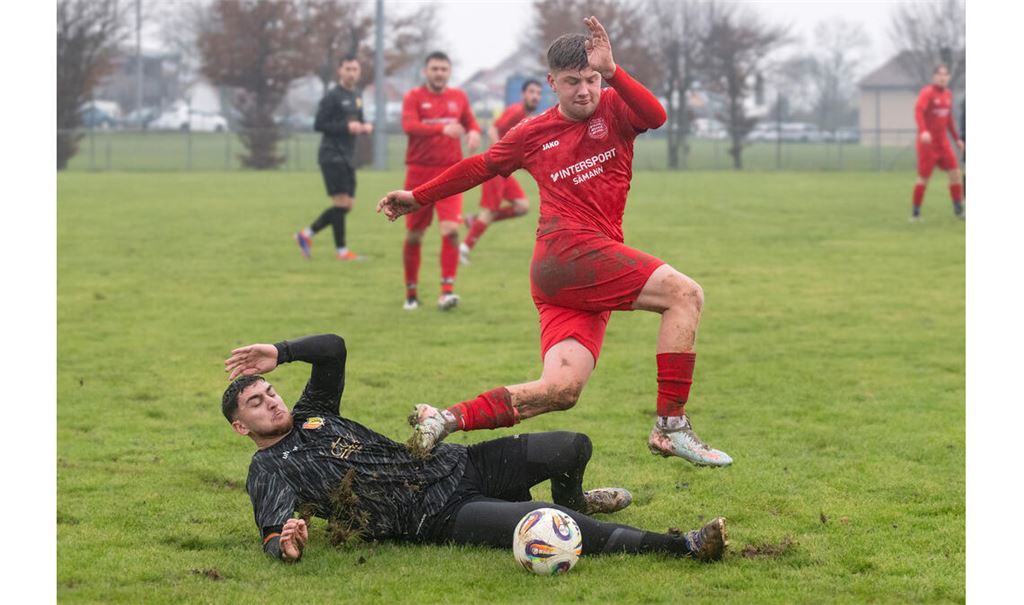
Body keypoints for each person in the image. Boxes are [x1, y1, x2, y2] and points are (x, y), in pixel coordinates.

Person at [377, 17, 731, 467]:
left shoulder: (615, 108)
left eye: (591, 80)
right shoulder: (531, 134)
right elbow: (480, 166)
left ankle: (443, 419)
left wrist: (616, 72)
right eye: (572, 82)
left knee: (561, 390)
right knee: (686, 295)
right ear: (552, 83)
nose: (584, 91)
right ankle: (671, 426)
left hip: (568, 276)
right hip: (569, 251)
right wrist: (417, 197)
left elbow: (657, 116)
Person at [221, 333, 729, 563]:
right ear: (242, 427)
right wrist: (283, 544)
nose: (269, 401)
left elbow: (332, 348)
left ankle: (578, 502)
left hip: (455, 462)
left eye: (268, 392)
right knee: (546, 519)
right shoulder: (268, 467)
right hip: (435, 513)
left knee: (571, 446)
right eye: (254, 404)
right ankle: (680, 547)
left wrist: (280, 353)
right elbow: (272, 531)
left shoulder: (315, 413)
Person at [400, 51, 481, 310]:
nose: (439, 73)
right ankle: (411, 294)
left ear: (449, 72)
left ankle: (447, 292)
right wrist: (441, 128)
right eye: (434, 68)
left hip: (450, 174)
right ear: (426, 71)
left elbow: (471, 123)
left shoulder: (459, 97)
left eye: (443, 69)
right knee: (414, 235)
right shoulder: (414, 97)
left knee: (451, 229)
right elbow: (409, 126)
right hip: (419, 173)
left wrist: (474, 134)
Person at [294, 56, 373, 261]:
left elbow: (359, 119)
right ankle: (342, 251)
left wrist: (365, 126)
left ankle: (305, 235)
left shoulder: (357, 95)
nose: (351, 73)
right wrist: (346, 128)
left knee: (347, 205)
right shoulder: (332, 97)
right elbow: (319, 124)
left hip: (348, 156)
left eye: (355, 69)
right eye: (347, 69)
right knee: (340, 203)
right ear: (340, 71)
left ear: (359, 72)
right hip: (331, 154)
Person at [459, 80, 543, 265]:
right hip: (495, 168)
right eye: (531, 92)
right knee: (490, 210)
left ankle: (474, 222)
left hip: (505, 170)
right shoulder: (517, 112)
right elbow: (492, 130)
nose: (535, 96)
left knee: (522, 206)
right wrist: (499, 156)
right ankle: (463, 249)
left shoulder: (530, 117)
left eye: (538, 93)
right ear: (523, 94)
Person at [911, 64, 965, 221]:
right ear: (934, 77)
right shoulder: (927, 93)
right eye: (940, 74)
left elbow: (948, 120)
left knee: (955, 173)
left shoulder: (948, 94)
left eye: (945, 75)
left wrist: (957, 140)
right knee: (924, 178)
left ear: (948, 77)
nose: (943, 77)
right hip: (927, 145)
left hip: (943, 144)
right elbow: (918, 111)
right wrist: (923, 131)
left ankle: (958, 211)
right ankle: (915, 213)